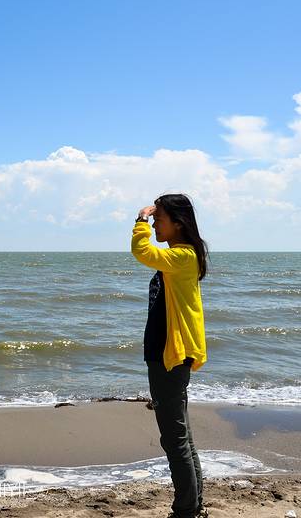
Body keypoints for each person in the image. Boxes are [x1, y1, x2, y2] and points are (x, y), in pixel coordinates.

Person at [131, 193, 210, 518]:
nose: (154, 225)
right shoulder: (181, 256)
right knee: (181, 437)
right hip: (170, 355)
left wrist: (139, 220)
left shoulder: (182, 256)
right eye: (152, 221)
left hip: (171, 357)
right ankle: (193, 506)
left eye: (158, 220)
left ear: (178, 224)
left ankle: (186, 510)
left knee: (175, 439)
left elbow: (142, 251)